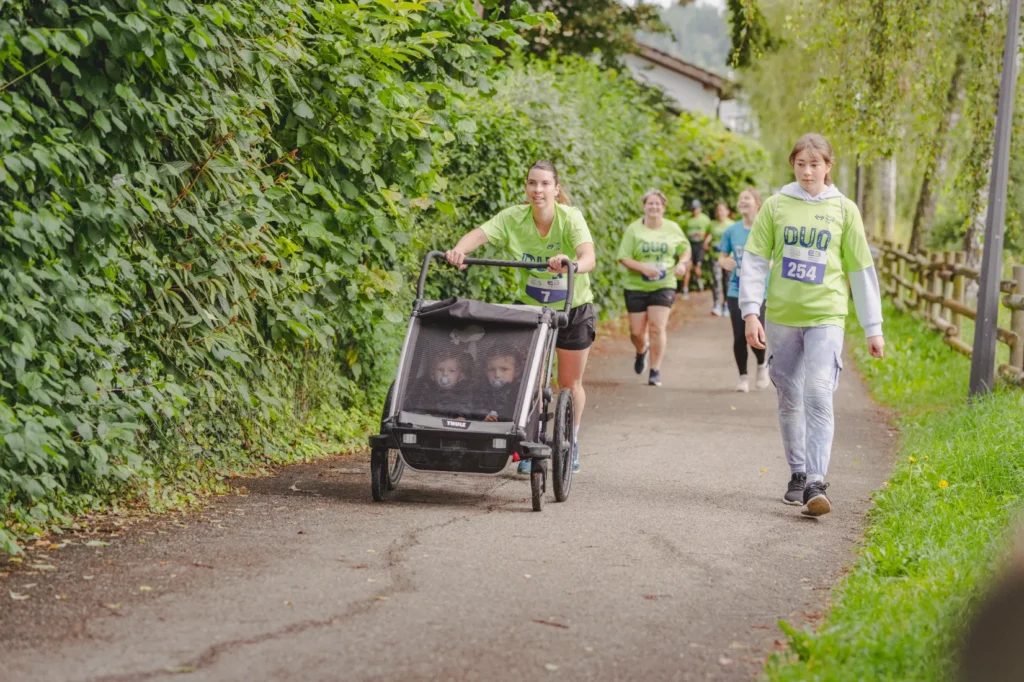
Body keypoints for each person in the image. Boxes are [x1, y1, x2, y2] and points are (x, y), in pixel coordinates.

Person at [739, 133, 885, 517]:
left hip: (826, 315)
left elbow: (860, 269)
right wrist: (751, 311)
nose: (807, 171)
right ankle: (798, 473)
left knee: (819, 392)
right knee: (789, 395)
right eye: (801, 164)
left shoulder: (843, 209)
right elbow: (754, 260)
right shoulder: (775, 205)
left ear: (828, 167)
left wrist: (873, 326)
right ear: (793, 165)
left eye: (815, 164)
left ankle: (818, 483)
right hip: (783, 317)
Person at [445, 159, 596, 474]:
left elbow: (588, 257)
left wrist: (570, 262)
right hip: (531, 310)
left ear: (556, 188)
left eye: (544, 184)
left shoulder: (570, 218)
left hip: (573, 308)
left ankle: (572, 441)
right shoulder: (513, 217)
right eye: (532, 183)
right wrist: (459, 250)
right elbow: (479, 234)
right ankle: (533, 443)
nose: (537, 190)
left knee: (570, 382)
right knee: (531, 381)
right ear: (526, 187)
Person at [616, 189, 690, 387]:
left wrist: (682, 263)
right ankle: (642, 351)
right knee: (636, 332)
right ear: (644, 206)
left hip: (664, 285)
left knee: (657, 327)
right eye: (650, 203)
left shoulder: (672, 228)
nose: (654, 207)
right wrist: (643, 268)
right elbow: (623, 256)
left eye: (658, 204)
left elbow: (686, 249)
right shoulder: (634, 229)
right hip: (636, 285)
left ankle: (655, 370)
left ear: (663, 207)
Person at [718, 189, 770, 393]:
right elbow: (722, 257)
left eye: (746, 198)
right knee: (739, 335)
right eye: (740, 199)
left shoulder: (767, 229)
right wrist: (725, 262)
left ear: (757, 203)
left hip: (761, 291)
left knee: (759, 333)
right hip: (736, 289)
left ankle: (761, 364)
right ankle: (743, 377)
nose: (742, 202)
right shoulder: (731, 231)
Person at [475, 347, 522, 422]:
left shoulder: (520, 393)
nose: (497, 375)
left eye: (504, 369)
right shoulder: (479, 391)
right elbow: (472, 409)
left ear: (516, 371)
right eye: (492, 370)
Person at [681, 199, 710, 300]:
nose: (694, 211)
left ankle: (699, 280)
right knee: (687, 267)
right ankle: (685, 290)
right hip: (690, 245)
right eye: (693, 209)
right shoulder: (687, 220)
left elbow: (709, 232)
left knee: (697, 268)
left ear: (700, 209)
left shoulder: (705, 219)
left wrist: (705, 241)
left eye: (696, 209)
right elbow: (683, 233)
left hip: (699, 245)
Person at [708, 202, 733, 317]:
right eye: (718, 210)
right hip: (715, 257)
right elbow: (708, 237)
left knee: (727, 281)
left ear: (727, 211)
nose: (720, 212)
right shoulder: (712, 224)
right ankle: (716, 305)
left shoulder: (732, 225)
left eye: (722, 210)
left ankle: (727, 305)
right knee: (716, 280)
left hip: (729, 258)